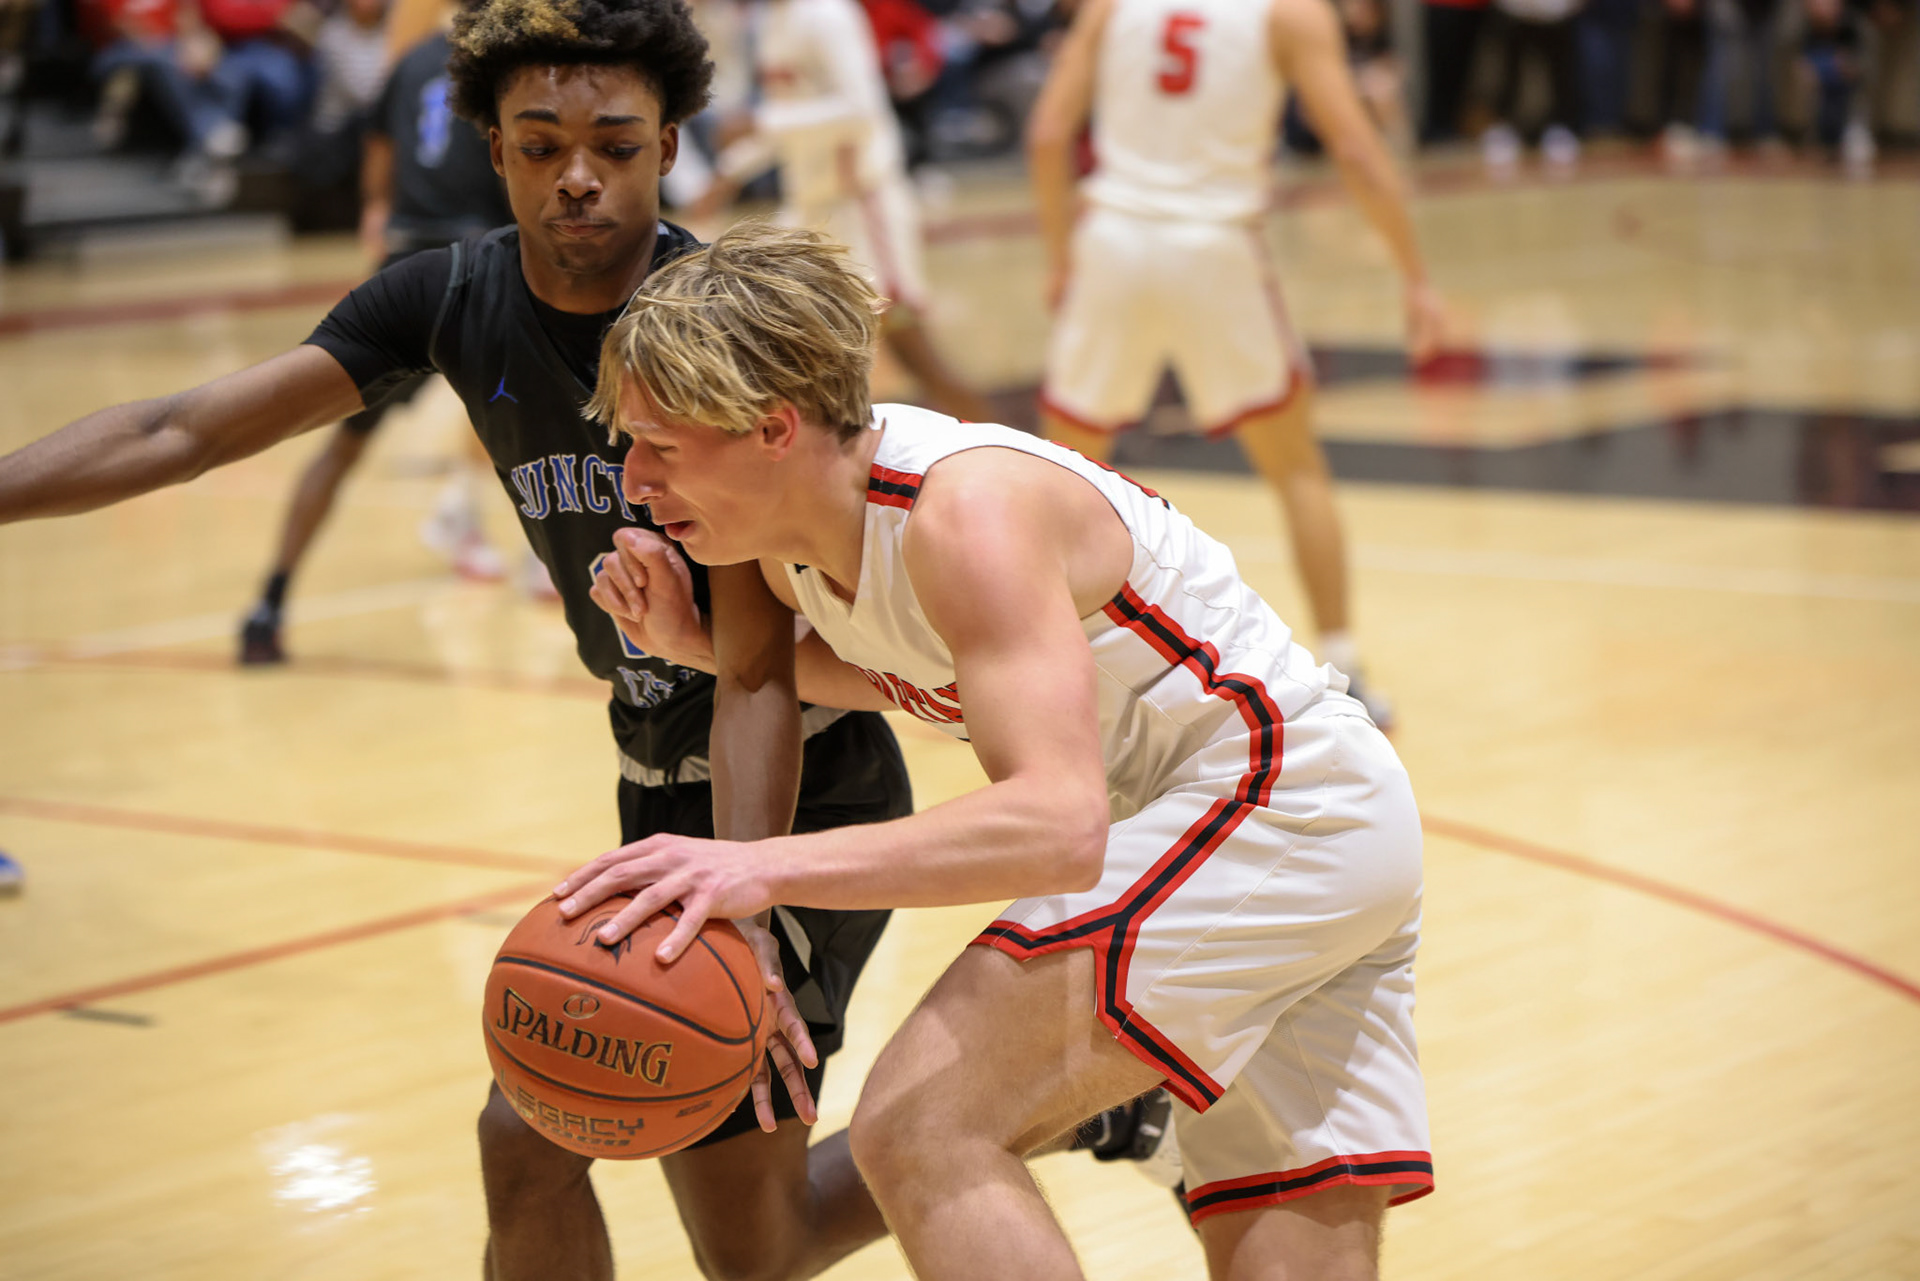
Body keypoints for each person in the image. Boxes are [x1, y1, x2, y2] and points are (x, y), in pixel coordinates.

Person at [0, 4, 1160, 1276]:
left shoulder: (720, 323)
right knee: (702, 1223)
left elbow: (758, 666)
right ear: (493, 149)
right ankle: (1073, 1108)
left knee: (554, 1134)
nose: (579, 176)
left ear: (669, 146)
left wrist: (749, 899)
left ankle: (1033, 1107)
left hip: (793, 792)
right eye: (542, 144)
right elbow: (185, 430)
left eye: (613, 142)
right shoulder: (448, 296)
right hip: (652, 772)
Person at [559, 221, 1434, 1281]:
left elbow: (1058, 825)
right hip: (1315, 839)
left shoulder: (965, 511)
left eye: (660, 446)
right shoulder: (802, 548)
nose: (634, 480)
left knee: (920, 1129)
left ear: (773, 427)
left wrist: (751, 865)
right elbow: (917, 667)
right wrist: (695, 646)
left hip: (1269, 808)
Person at [1026, 0, 1444, 730]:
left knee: (1055, 477)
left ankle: (1022, 671)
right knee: (1296, 468)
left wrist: (1061, 255)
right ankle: (1347, 674)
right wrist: (1415, 275)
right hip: (1215, 250)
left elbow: (1048, 133)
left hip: (1113, 243)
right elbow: (1354, 148)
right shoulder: (1291, 12)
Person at [238, 8, 518, 664]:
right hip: (478, 260)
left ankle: (269, 603)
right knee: (552, 411)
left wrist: (376, 209)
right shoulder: (507, 67)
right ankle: (552, 561)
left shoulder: (413, 60)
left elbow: (378, 153)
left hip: (403, 267)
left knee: (340, 448)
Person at [699, 0, 997, 423]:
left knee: (909, 344)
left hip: (861, 205)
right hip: (810, 207)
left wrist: (761, 122)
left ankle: (1002, 444)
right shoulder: (771, 21)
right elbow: (787, 119)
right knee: (787, 337)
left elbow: (858, 111)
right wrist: (727, 173)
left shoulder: (828, 14)